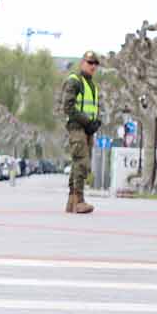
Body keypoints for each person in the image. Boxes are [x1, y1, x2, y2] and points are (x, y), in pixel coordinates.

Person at [59, 50, 103, 214]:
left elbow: (92, 108)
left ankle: (72, 202)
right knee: (82, 161)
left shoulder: (92, 85)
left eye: (95, 64)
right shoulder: (75, 81)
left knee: (78, 163)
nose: (93, 67)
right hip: (77, 127)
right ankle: (79, 200)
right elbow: (68, 107)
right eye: (89, 63)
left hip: (87, 129)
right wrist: (88, 121)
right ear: (82, 63)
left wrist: (96, 122)